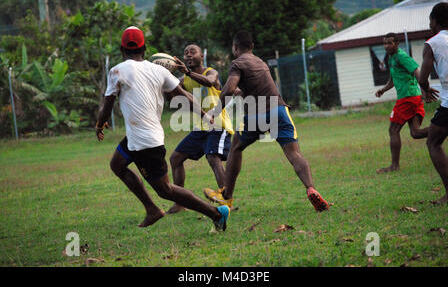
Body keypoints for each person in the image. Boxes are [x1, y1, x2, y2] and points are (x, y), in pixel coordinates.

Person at [95, 26, 229, 230]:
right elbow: (186, 96)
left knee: (166, 189)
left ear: (122, 49)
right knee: (117, 164)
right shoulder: (159, 70)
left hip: (145, 142)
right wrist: (204, 114)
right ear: (145, 48)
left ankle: (216, 214)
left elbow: (107, 105)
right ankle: (151, 209)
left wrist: (99, 123)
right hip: (138, 137)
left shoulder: (117, 71)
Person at [203, 30, 330, 212]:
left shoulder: (237, 63)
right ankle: (311, 188)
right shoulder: (260, 62)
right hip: (278, 109)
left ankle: (226, 196)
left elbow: (230, 88)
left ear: (235, 47)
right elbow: (253, 87)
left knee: (236, 147)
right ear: (252, 46)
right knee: (294, 154)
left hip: (256, 113)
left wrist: (215, 111)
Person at [166, 45, 235, 214]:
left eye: (192, 52)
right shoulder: (183, 81)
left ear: (201, 56)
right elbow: (172, 98)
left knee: (213, 157)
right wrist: (165, 78)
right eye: (186, 53)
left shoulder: (211, 72)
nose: (188, 55)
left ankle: (226, 199)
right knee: (175, 159)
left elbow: (210, 82)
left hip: (218, 124)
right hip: (201, 128)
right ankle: (179, 203)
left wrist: (188, 72)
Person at [375, 32, 428, 174]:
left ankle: (394, 166)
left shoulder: (402, 56)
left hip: (408, 98)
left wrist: (425, 89)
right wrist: (383, 90)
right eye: (384, 43)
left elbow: (417, 71)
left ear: (397, 44)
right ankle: (443, 128)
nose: (386, 46)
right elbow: (393, 79)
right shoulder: (392, 58)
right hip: (411, 98)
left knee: (393, 130)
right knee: (416, 133)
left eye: (389, 43)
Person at [416, 2, 448, 205]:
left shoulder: (433, 43)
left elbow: (422, 77)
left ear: (435, 21)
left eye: (430, 20)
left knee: (433, 141)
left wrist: (426, 89)